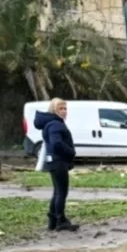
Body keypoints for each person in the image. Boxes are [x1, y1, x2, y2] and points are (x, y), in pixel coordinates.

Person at [34, 98, 78, 232]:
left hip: (53, 161)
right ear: (54, 110)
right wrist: (71, 152)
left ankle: (53, 220)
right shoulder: (55, 125)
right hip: (59, 162)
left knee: (57, 191)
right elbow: (56, 143)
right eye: (61, 109)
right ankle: (60, 220)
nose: (64, 111)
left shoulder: (51, 123)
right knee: (61, 192)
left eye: (65, 108)